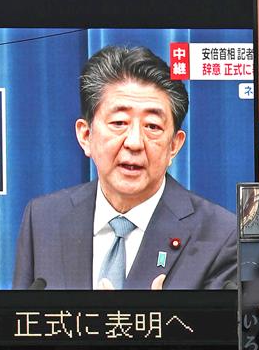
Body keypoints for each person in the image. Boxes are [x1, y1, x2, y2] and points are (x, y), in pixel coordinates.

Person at [12, 45, 236, 291]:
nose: (134, 143)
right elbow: (20, 325)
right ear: (85, 136)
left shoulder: (220, 235)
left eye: (152, 126)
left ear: (174, 145)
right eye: (119, 122)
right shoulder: (43, 219)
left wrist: (159, 324)